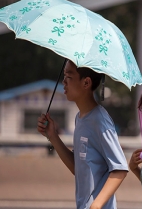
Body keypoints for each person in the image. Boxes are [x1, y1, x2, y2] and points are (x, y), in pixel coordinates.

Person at [37, 60, 128, 209]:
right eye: (64, 75)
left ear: (86, 83)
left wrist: (97, 205)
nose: (64, 81)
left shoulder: (100, 120)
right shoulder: (80, 118)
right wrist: (52, 136)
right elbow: (77, 168)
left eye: (69, 76)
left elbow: (120, 169)